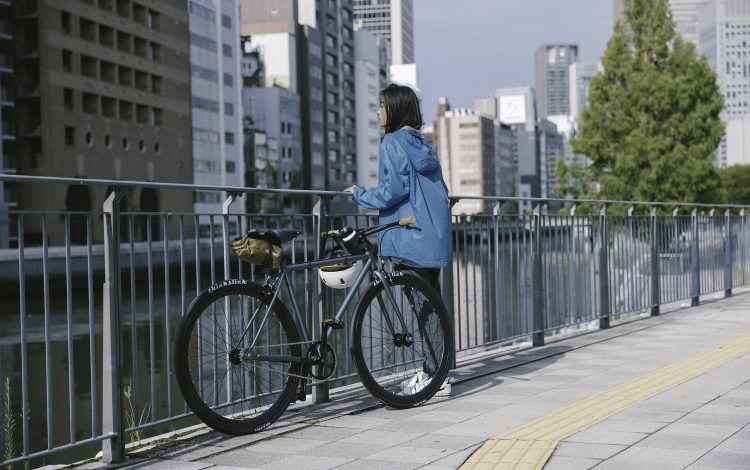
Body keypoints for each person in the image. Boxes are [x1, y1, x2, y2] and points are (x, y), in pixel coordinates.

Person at [344, 83, 452, 396]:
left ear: (395, 109)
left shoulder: (392, 142)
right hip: (433, 238)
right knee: (432, 307)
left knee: (422, 310)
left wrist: (359, 194)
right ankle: (436, 373)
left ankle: (434, 377)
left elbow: (392, 191)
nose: (378, 111)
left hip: (410, 238)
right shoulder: (423, 144)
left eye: (381, 105)